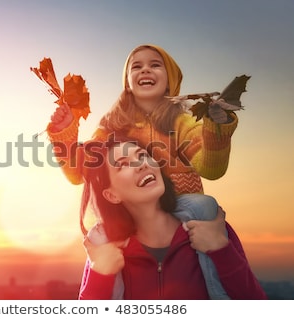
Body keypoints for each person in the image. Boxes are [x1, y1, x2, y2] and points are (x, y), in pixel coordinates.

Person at [47, 44, 240, 298]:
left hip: (179, 208)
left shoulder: (182, 121)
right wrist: (65, 136)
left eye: (155, 64)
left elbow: (211, 169)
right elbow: (79, 172)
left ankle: (221, 299)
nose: (145, 70)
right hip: (130, 213)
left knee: (205, 206)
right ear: (127, 82)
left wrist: (216, 130)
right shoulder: (111, 125)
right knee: (101, 234)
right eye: (136, 66)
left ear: (170, 78)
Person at [78, 137, 267, 300]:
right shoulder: (105, 251)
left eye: (142, 155)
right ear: (112, 195)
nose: (142, 164)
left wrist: (221, 250)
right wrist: (99, 275)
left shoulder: (210, 225)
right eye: (123, 164)